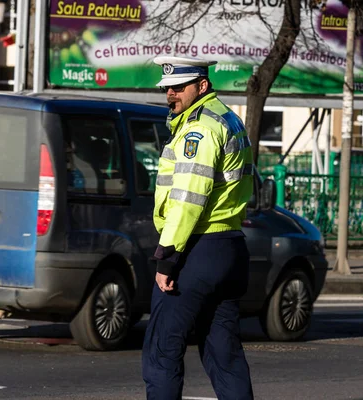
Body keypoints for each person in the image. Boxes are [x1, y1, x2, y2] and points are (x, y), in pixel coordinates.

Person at [142, 56, 255, 400]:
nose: (171, 94)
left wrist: (167, 257)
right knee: (224, 355)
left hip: (198, 248)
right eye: (167, 88)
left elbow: (188, 199)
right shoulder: (229, 119)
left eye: (178, 87)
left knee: (162, 351)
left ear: (202, 86)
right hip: (230, 248)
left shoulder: (199, 128)